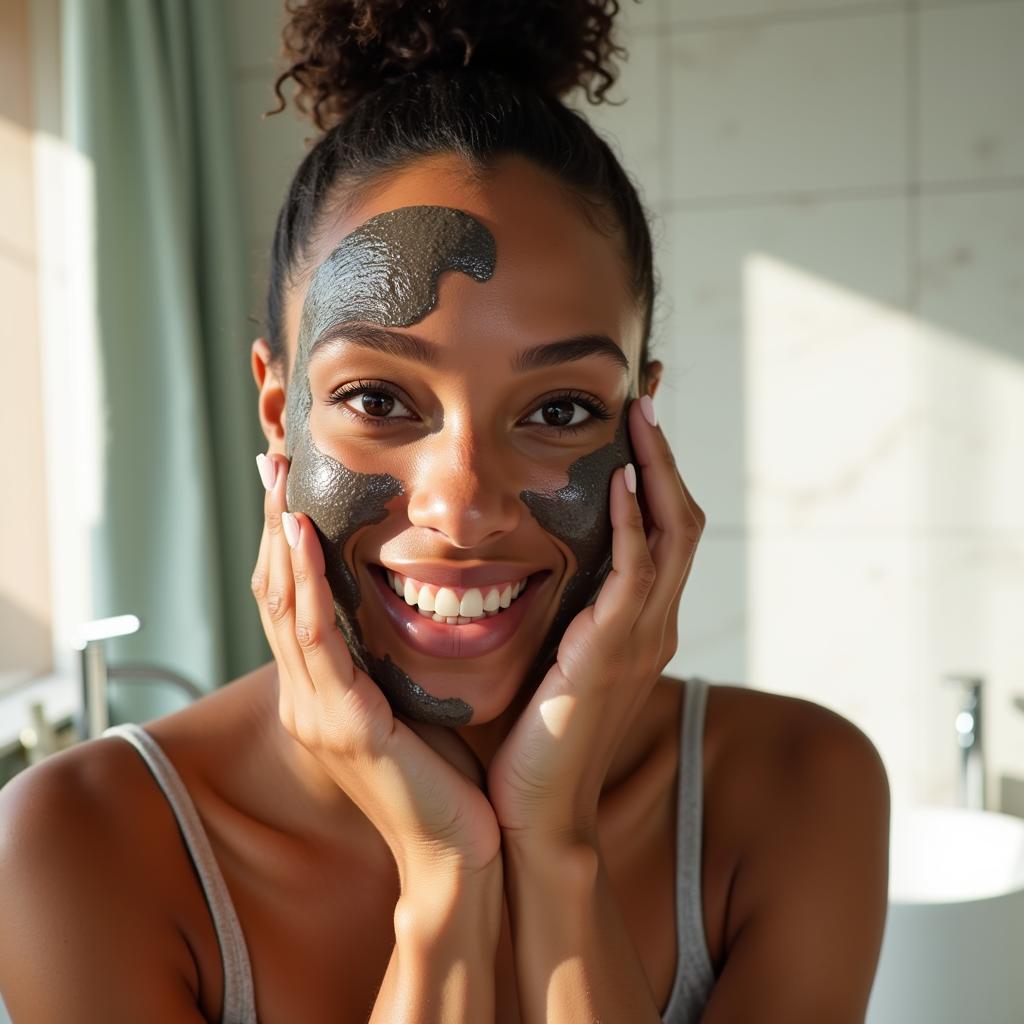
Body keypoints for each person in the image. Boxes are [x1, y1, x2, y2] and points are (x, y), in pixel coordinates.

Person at [0, 2, 891, 1021]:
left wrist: (552, 853)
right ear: (278, 413)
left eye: (559, 410)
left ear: (641, 424)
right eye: (378, 401)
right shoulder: (86, 846)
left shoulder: (797, 794)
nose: (463, 507)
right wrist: (444, 879)